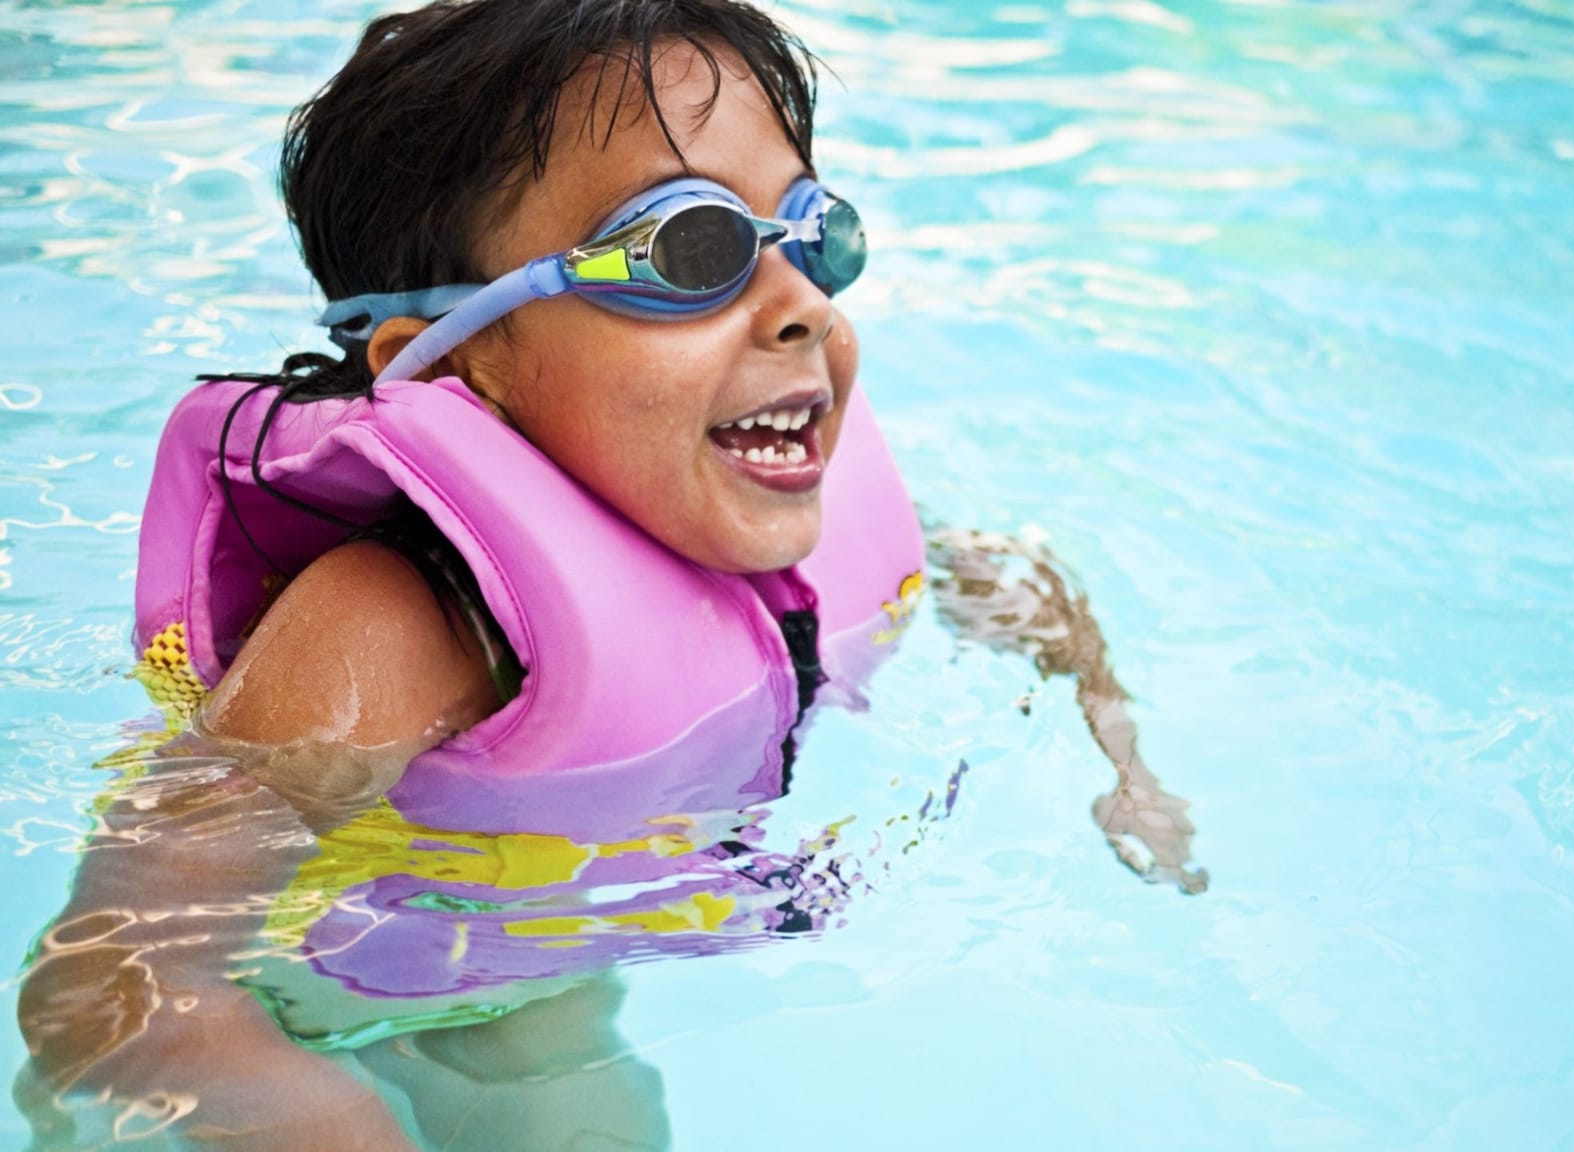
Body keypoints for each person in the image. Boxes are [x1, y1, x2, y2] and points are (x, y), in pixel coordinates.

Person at [15, 1, 1202, 1147]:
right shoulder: (393, 627)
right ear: (457, 363)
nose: (796, 306)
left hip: (544, 974)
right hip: (312, 1007)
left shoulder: (784, 494)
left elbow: (1000, 571)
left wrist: (1120, 755)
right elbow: (115, 985)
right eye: (690, 250)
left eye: (813, 235)